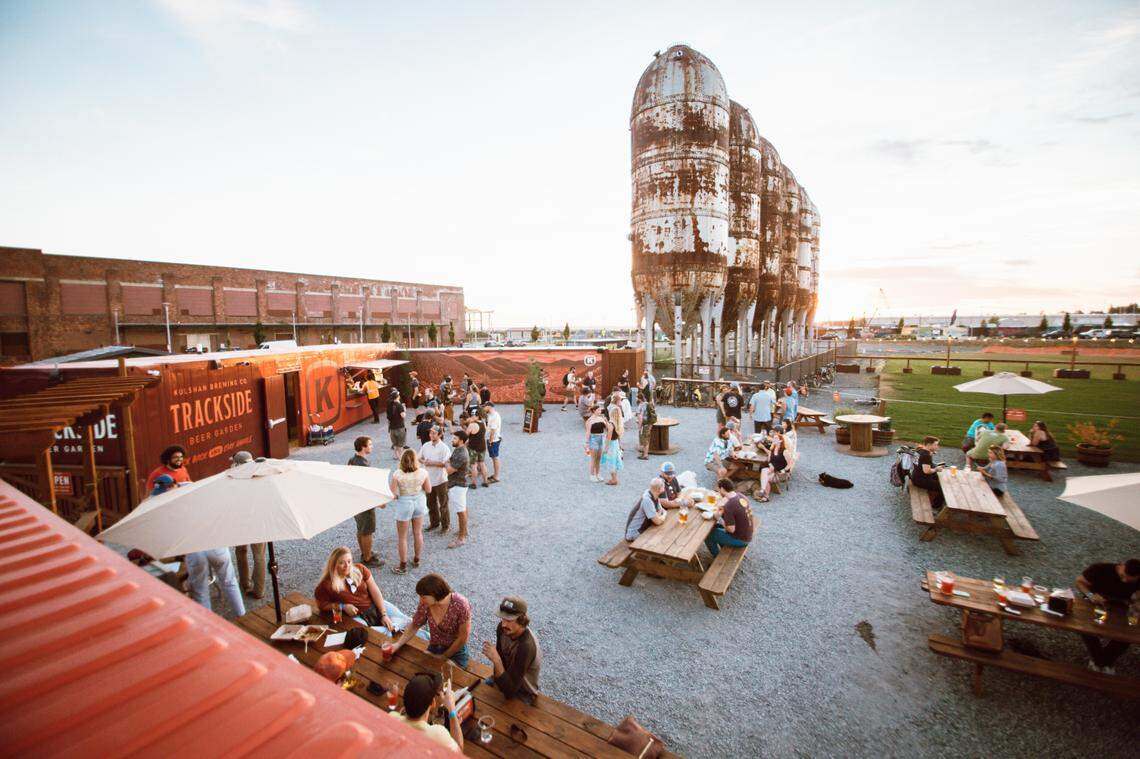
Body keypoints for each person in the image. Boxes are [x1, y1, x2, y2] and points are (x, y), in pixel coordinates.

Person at [151, 473, 246, 617]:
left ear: (170, 486)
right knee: (230, 582)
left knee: (200, 590)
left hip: (194, 548)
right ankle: (242, 615)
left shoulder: (169, 506)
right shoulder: (193, 487)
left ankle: (208, 624)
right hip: (215, 542)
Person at [314, 546, 411, 632]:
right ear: (333, 564)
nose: (347, 566)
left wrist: (383, 614)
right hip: (356, 616)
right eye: (341, 563)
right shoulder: (326, 584)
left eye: (349, 561)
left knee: (406, 621)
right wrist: (342, 606)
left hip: (373, 605)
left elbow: (375, 592)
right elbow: (321, 605)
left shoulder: (360, 569)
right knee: (379, 633)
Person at [391, 573, 473, 667]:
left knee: (444, 669)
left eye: (423, 597)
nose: (421, 600)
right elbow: (415, 625)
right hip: (435, 646)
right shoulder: (426, 604)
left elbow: (463, 637)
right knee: (419, 669)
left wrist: (444, 656)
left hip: (456, 651)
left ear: (435, 594)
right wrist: (397, 645)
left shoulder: (461, 604)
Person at [1075, 559, 1140, 674]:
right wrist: (1090, 595)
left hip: (1123, 608)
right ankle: (1103, 662)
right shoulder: (1100, 569)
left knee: (1130, 632)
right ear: (1121, 566)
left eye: (1129, 580)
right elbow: (1079, 581)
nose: (1124, 581)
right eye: (1122, 576)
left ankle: (1100, 661)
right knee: (1088, 628)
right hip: (1095, 603)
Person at [482, 596, 542, 705]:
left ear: (522, 620)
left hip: (523, 692)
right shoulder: (502, 629)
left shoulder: (526, 646)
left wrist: (496, 660)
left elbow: (509, 691)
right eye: (502, 618)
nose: (504, 624)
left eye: (509, 620)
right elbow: (501, 656)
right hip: (508, 679)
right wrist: (498, 667)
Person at [388, 672, 463, 752]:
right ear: (433, 703)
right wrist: (452, 710)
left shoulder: (391, 718)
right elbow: (458, 753)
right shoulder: (438, 734)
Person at [230, 451, 266, 597]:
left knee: (241, 551)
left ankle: (244, 583)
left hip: (240, 520)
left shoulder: (232, 478)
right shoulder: (259, 475)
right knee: (259, 556)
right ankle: (259, 590)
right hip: (258, 519)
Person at [388, 449, 430, 574]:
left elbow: (392, 494)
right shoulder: (423, 472)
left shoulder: (397, 474)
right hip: (419, 501)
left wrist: (398, 496)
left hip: (404, 503)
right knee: (418, 533)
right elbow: (428, 489)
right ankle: (417, 559)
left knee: (402, 537)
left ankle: (403, 566)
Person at [348, 436, 384, 567]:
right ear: (363, 447)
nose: (372, 446)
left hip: (355, 501)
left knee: (361, 529)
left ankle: (365, 552)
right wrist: (379, 502)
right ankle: (368, 558)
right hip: (365, 504)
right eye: (370, 444)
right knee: (367, 531)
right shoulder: (364, 465)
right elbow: (369, 487)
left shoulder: (352, 460)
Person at [705, 478, 754, 557]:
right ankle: (723, 545)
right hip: (747, 533)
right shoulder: (740, 495)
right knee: (715, 527)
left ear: (722, 489)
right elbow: (728, 500)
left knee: (708, 535)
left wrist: (718, 518)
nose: (718, 492)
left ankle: (717, 557)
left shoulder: (729, 506)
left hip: (741, 539)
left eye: (718, 490)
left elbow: (731, 530)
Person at [420, 425, 452, 534]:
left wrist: (431, 463)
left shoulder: (444, 448)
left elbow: (445, 463)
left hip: (441, 480)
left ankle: (445, 526)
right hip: (428, 480)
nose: (431, 435)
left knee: (443, 504)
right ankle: (434, 523)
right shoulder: (426, 445)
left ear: (440, 434)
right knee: (430, 503)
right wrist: (423, 461)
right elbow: (419, 457)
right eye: (430, 433)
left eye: (434, 433)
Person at [446, 430, 470, 549]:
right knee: (462, 509)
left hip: (457, 485)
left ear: (461, 440)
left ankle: (461, 538)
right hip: (458, 484)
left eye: (455, 438)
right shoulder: (458, 449)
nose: (452, 440)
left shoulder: (461, 454)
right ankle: (464, 530)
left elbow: (449, 470)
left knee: (461, 512)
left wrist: (446, 463)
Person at [910, 436, 945, 506]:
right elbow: (927, 471)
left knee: (941, 479)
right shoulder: (926, 455)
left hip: (915, 476)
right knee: (943, 487)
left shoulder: (919, 450)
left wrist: (934, 464)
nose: (937, 446)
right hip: (921, 480)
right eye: (936, 445)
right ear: (929, 445)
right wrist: (936, 469)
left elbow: (922, 464)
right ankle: (936, 505)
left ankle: (933, 496)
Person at [465, 410, 489, 488]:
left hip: (473, 448)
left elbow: (465, 436)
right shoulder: (483, 423)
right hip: (482, 447)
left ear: (477, 416)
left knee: (473, 465)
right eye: (471, 415)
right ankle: (485, 481)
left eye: (473, 415)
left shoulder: (472, 425)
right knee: (482, 464)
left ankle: (474, 483)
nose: (472, 416)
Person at [585, 405, 608, 482]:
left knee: (599, 458)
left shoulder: (601, 418)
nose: (600, 411)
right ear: (594, 411)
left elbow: (607, 428)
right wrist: (587, 443)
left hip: (601, 438)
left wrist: (606, 421)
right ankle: (592, 475)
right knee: (593, 458)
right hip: (593, 439)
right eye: (598, 410)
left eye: (600, 410)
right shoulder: (590, 420)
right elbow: (588, 432)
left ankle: (598, 474)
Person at [601, 406, 623, 486]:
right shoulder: (618, 422)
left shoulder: (611, 423)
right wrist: (606, 421)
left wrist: (606, 448)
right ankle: (615, 478)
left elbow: (609, 436)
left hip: (611, 444)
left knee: (611, 461)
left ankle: (614, 479)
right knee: (615, 460)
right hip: (615, 442)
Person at [484, 402, 503, 484]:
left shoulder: (495, 416)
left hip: (493, 440)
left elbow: (493, 430)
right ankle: (495, 475)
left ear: (489, 406)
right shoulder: (490, 415)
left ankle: (496, 476)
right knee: (494, 457)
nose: (483, 408)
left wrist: (490, 441)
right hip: (492, 439)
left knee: (495, 457)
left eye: (484, 407)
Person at [386, 389, 407, 461]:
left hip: (392, 427)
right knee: (400, 444)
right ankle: (401, 457)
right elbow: (403, 415)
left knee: (394, 443)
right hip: (400, 427)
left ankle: (396, 456)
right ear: (398, 397)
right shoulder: (399, 405)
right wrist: (404, 409)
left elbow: (388, 417)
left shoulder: (389, 405)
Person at [636, 394, 656, 460]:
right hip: (649, 424)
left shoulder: (640, 406)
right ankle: (645, 453)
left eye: (637, 397)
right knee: (647, 439)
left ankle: (645, 455)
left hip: (644, 425)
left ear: (639, 399)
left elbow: (640, 417)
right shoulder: (647, 404)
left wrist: (639, 426)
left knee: (645, 440)